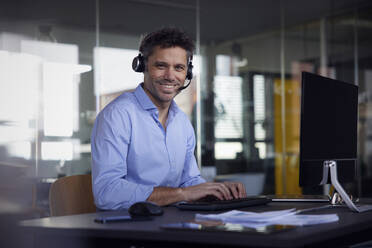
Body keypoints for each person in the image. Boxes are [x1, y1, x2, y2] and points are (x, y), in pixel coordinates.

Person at [91, 27, 246, 210]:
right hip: (129, 229)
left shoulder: (182, 122)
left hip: (173, 223)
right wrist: (182, 194)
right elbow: (107, 192)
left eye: (179, 68)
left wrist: (216, 190)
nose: (170, 76)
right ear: (142, 66)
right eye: (161, 65)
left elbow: (189, 181)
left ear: (187, 73)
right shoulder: (117, 116)